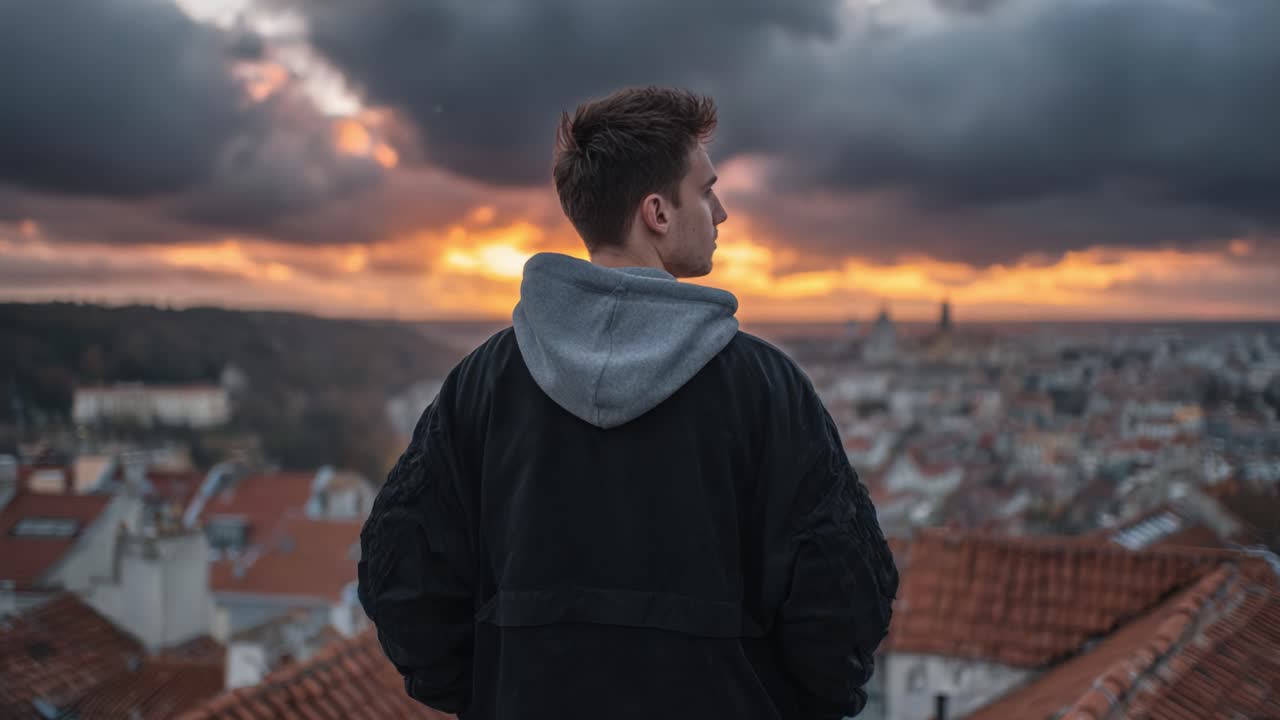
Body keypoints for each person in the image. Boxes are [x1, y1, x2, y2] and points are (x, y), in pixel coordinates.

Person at [358, 86, 899, 720]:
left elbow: (401, 575)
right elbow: (845, 593)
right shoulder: (764, 389)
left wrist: (496, 689)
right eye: (705, 190)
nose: (720, 212)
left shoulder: (482, 383)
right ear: (657, 213)